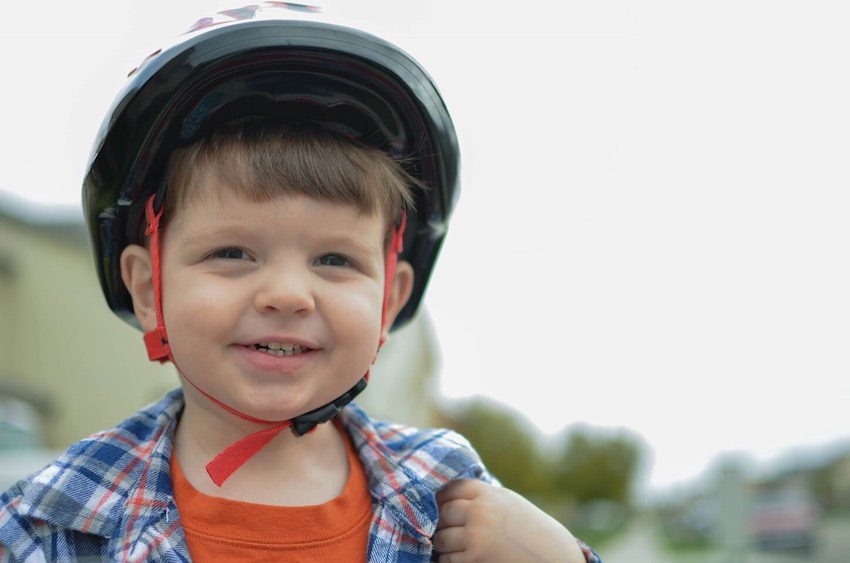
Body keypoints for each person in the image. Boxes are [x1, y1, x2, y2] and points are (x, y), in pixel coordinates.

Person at [0, 4, 602, 562]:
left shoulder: (448, 494)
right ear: (146, 287)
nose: (288, 294)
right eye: (232, 252)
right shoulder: (51, 517)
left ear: (389, 298)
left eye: (335, 260)